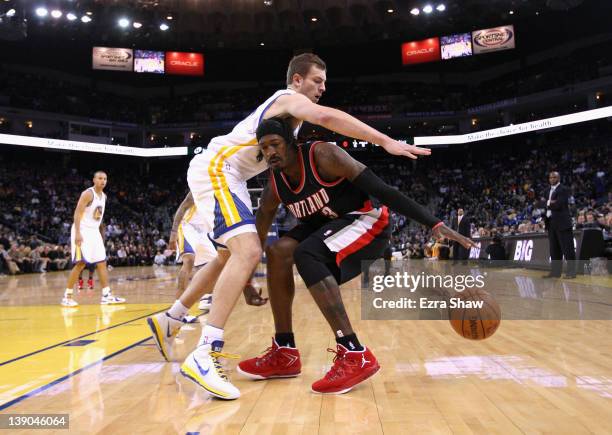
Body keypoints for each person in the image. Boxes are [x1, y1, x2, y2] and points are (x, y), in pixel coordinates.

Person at [148, 53, 432, 400]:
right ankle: (205, 353)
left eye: (325, 83)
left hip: (228, 174)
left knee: (228, 256)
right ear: (296, 80)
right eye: (317, 81)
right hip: (219, 169)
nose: (322, 88)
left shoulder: (288, 121)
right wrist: (384, 141)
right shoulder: (287, 100)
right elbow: (327, 117)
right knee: (249, 250)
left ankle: (171, 320)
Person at [236, 118, 476, 394]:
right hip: (327, 227)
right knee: (277, 252)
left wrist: (432, 222)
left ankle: (354, 352)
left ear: (291, 142)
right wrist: (245, 277)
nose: (269, 153)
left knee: (306, 253)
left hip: (367, 220)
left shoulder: (323, 155)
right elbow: (260, 230)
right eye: (264, 147)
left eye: (275, 144)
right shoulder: (275, 184)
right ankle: (285, 351)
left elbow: (383, 190)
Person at [61, 171, 126, 307]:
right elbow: (77, 213)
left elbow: (99, 218)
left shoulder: (104, 197)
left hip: (94, 231)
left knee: (102, 262)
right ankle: (67, 296)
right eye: (100, 178)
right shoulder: (88, 194)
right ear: (94, 180)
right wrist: (78, 233)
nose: (103, 181)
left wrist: (100, 236)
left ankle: (106, 295)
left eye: (105, 179)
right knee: (81, 264)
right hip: (82, 230)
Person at [540, 171, 576, 278]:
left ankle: (571, 272)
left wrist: (548, 203)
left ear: (558, 178)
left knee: (567, 249)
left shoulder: (563, 189)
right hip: (551, 223)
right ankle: (555, 272)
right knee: (554, 249)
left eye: (554, 177)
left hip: (563, 223)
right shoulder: (546, 191)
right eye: (550, 177)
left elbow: (559, 204)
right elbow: (541, 204)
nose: (552, 179)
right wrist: (550, 202)